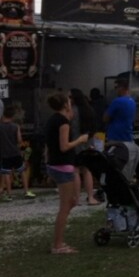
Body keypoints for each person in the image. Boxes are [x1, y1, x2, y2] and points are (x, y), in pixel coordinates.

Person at [46, 92, 90, 254]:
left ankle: (58, 242)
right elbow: (64, 146)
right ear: (65, 105)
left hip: (56, 164)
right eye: (69, 102)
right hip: (62, 166)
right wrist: (80, 140)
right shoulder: (63, 122)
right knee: (65, 207)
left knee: (71, 201)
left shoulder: (54, 119)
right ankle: (58, 245)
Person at [104, 76, 139, 181]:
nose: (116, 90)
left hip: (116, 139)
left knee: (114, 168)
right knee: (126, 169)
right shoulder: (132, 101)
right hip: (128, 139)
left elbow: (105, 118)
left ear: (122, 88)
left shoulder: (117, 101)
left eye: (116, 87)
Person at [69, 88, 100, 205]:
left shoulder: (72, 111)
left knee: (75, 171)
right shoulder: (89, 110)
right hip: (88, 144)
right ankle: (90, 196)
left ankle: (76, 198)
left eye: (70, 97)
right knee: (87, 171)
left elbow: (71, 129)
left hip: (76, 143)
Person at [0, 103, 30, 201]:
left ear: (3, 115)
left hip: (4, 154)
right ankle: (26, 191)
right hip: (15, 152)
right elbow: (19, 140)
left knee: (7, 173)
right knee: (22, 171)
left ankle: (9, 194)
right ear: (12, 116)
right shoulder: (15, 126)